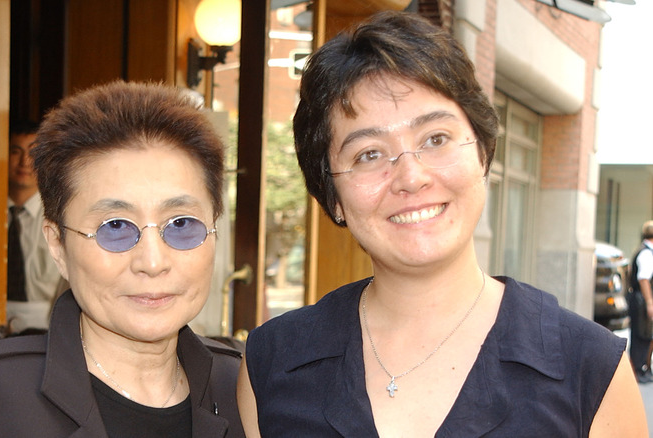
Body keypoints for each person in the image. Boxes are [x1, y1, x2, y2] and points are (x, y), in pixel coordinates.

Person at [236, 11, 647, 437]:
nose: (411, 178)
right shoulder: (273, 361)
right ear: (333, 196)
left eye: (435, 139)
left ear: (482, 154)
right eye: (369, 154)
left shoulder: (589, 367)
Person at [0, 81, 245, 437]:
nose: (152, 261)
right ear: (58, 245)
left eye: (181, 224)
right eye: (115, 226)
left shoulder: (249, 387)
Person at [7, 120, 69, 334]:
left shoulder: (59, 215)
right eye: (15, 152)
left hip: (49, 326)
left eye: (33, 153)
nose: (24, 162)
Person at [628, 220, 653, 383]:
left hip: (641, 299)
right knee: (641, 335)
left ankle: (644, 368)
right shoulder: (646, 253)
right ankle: (638, 370)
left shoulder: (645, 251)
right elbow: (643, 279)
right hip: (641, 300)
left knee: (646, 334)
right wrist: (650, 302)